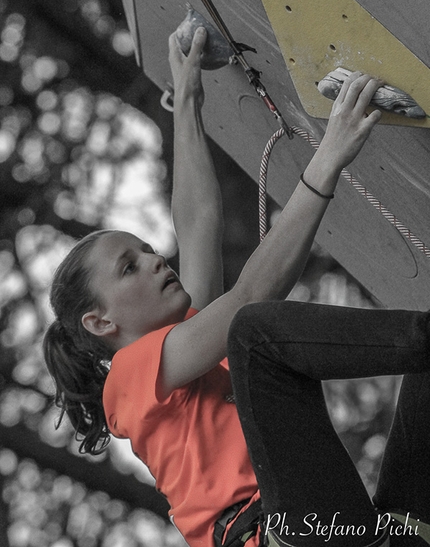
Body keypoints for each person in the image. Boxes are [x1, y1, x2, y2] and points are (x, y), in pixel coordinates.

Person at [43, 27, 430, 547]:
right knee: (252, 333)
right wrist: (329, 155)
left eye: (147, 250)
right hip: (280, 536)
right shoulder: (129, 383)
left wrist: (186, 97)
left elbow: (198, 220)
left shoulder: (189, 343)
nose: (156, 260)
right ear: (101, 322)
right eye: (130, 267)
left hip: (360, 532)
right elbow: (250, 300)